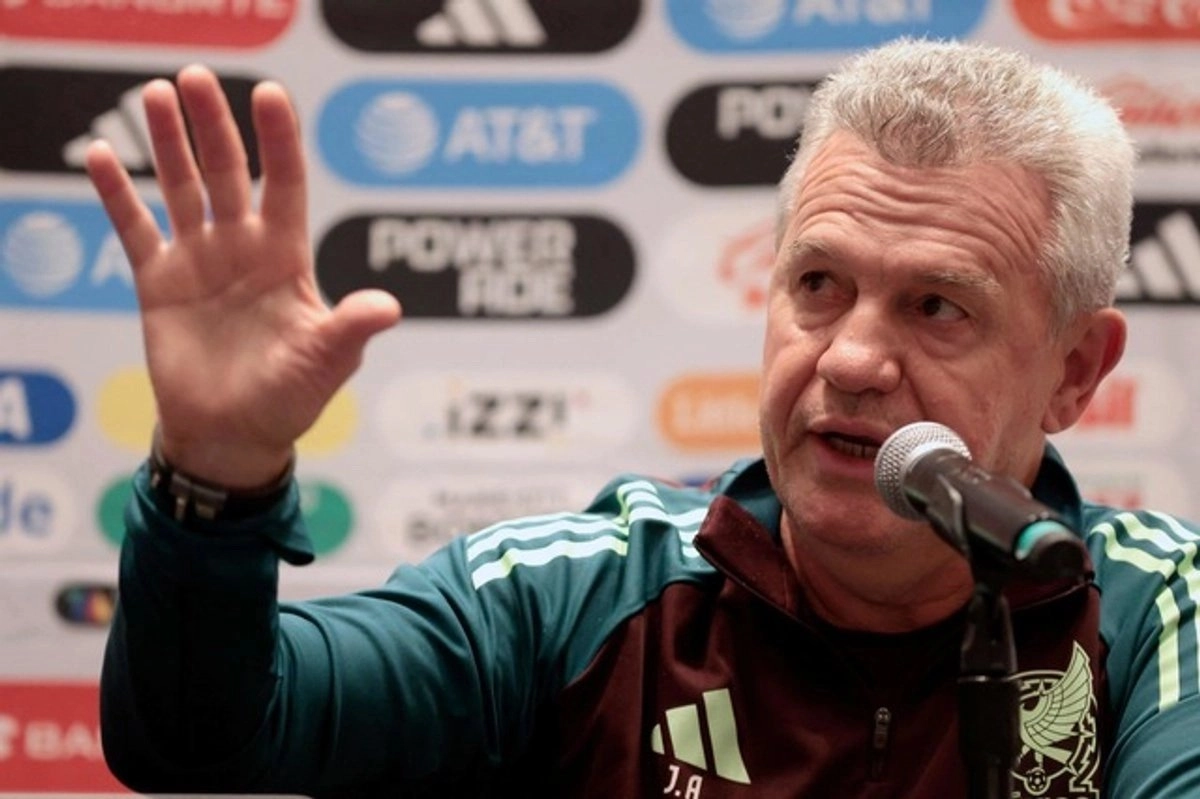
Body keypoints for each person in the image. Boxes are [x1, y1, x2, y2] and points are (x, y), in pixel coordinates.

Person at [86, 37, 1200, 798]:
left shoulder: (1161, 612)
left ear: (1074, 370)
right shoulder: (583, 594)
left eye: (937, 306)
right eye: (819, 285)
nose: (853, 359)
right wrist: (214, 481)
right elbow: (202, 736)